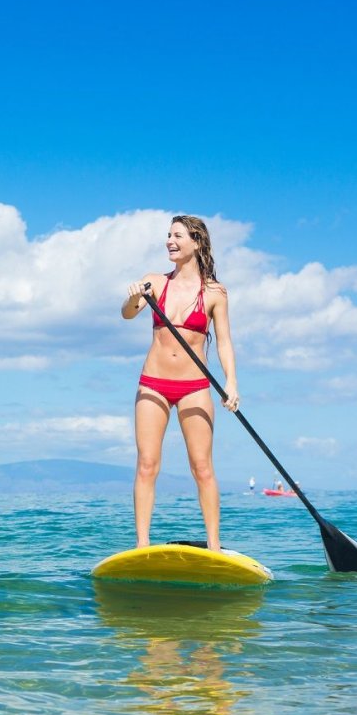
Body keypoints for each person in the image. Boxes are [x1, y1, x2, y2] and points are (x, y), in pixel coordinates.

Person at [122, 215, 239, 552]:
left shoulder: (215, 292)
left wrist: (231, 383)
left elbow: (225, 343)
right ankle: (142, 545)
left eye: (177, 236)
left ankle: (214, 547)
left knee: (202, 467)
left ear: (196, 242)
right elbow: (128, 313)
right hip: (153, 384)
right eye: (168, 236)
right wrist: (132, 298)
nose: (169, 242)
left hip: (195, 387)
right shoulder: (154, 282)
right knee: (147, 464)